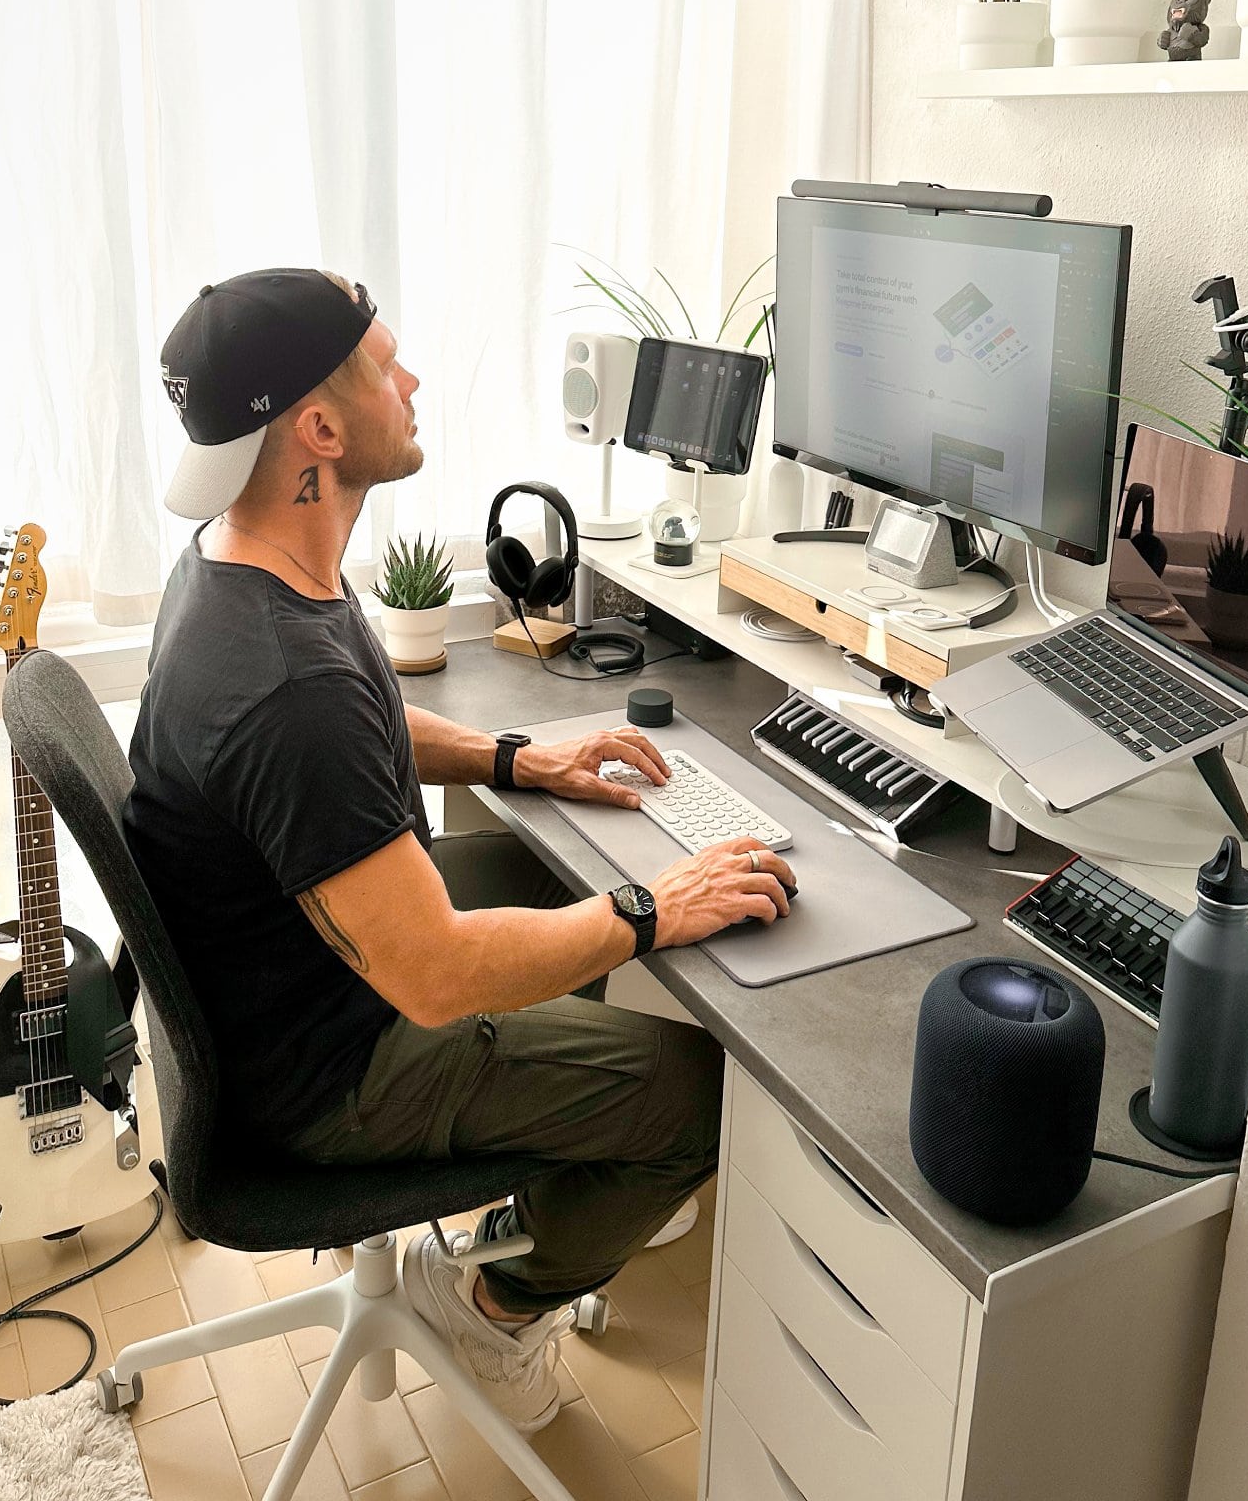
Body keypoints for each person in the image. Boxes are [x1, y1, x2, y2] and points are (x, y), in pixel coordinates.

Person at [123, 267, 795, 1434]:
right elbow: (433, 974)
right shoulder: (283, 685)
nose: (414, 378)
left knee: (550, 872)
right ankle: (492, 1299)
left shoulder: (239, 563)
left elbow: (363, 713)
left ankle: (553, 1177)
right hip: (335, 1068)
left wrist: (517, 758)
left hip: (284, 987)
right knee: (700, 1093)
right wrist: (656, 905)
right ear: (319, 430)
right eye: (387, 365)